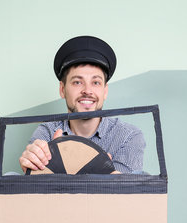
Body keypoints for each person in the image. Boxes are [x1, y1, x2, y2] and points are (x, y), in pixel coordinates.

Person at [19, 35, 146, 174]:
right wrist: (31, 164)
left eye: (96, 82)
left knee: (139, 177)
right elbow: (37, 190)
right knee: (11, 177)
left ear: (105, 91)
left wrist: (66, 166)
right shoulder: (47, 132)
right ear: (62, 90)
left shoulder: (128, 136)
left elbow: (126, 193)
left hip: (104, 196)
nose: (87, 91)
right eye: (77, 82)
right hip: (58, 196)